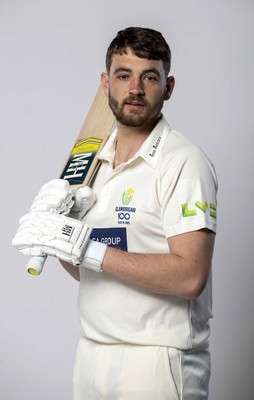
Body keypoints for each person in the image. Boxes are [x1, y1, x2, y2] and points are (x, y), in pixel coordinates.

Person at [13, 27, 218, 399]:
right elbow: (89, 270)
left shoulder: (183, 162)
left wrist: (88, 246)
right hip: (92, 353)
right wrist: (59, 235)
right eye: (124, 75)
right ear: (107, 84)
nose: (135, 89)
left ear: (168, 87)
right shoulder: (92, 163)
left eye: (149, 77)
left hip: (156, 362)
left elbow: (191, 277)